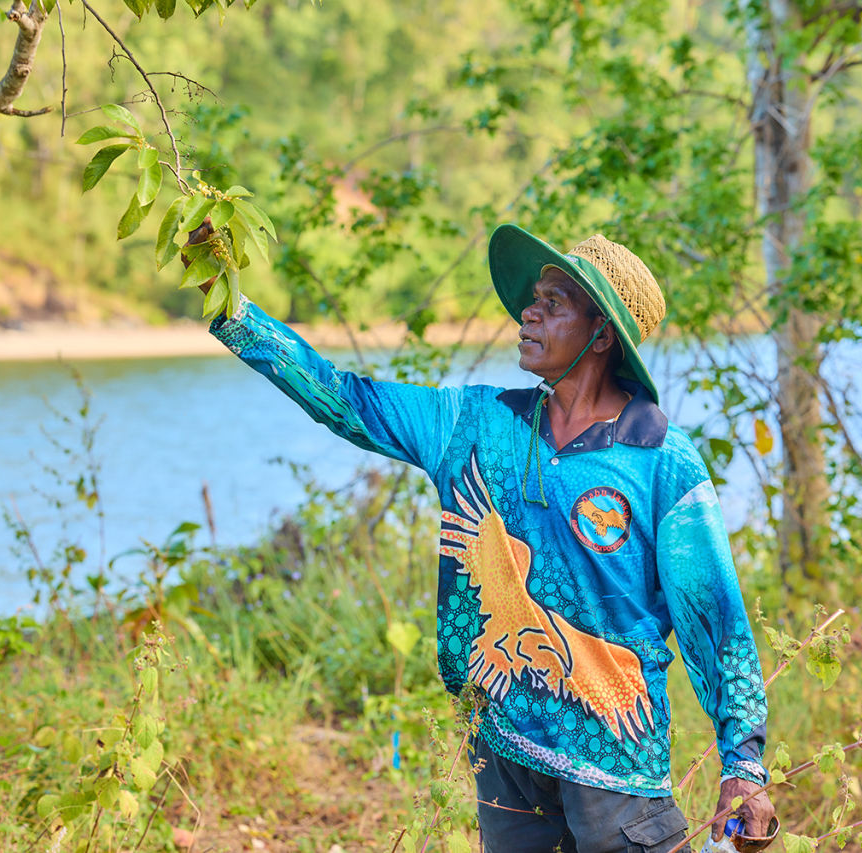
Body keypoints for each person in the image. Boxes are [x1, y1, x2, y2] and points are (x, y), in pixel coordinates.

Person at [190, 222, 776, 852]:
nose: (529, 313)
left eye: (554, 304)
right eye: (533, 300)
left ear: (602, 334)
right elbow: (346, 400)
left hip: (615, 767)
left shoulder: (662, 461)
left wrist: (742, 765)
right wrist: (230, 304)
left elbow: (715, 620)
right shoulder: (474, 423)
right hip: (505, 753)